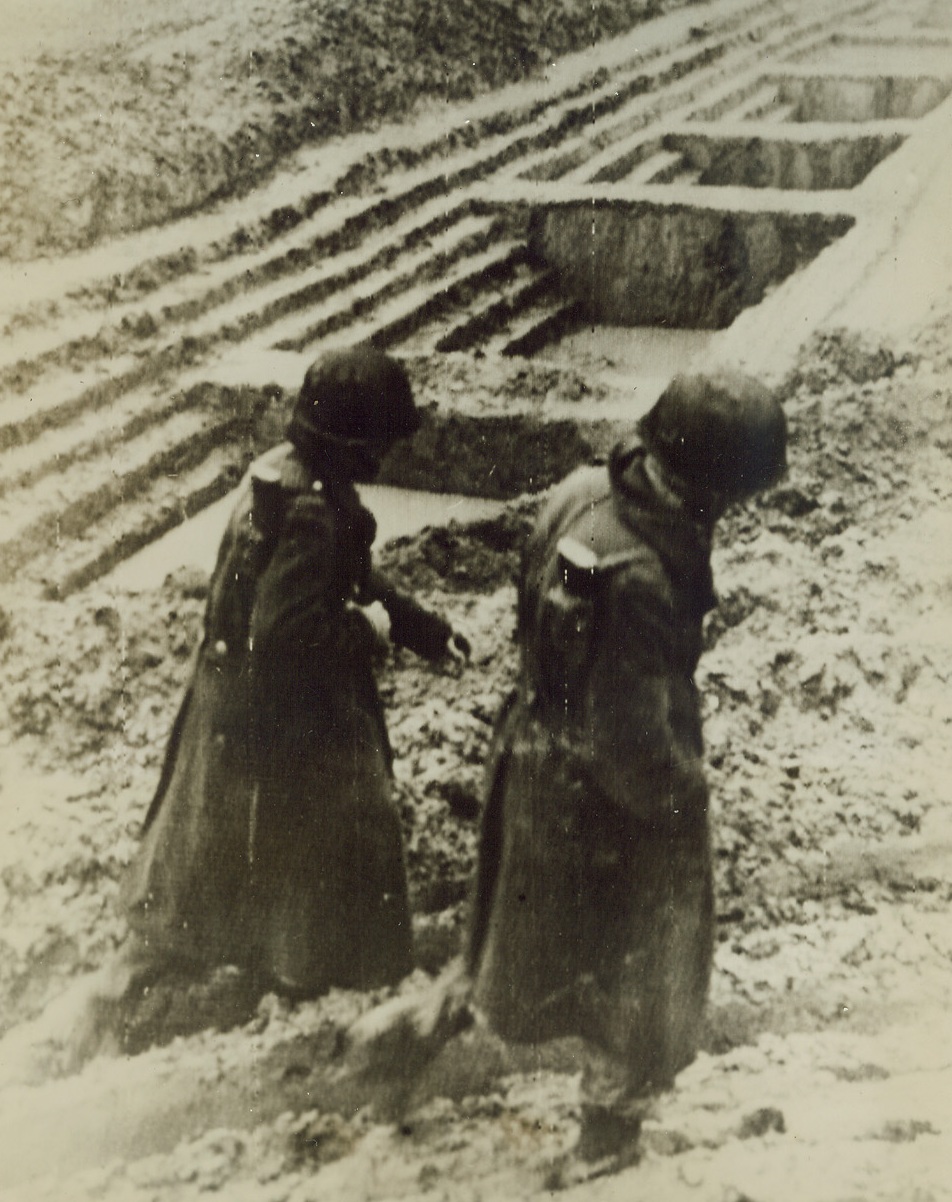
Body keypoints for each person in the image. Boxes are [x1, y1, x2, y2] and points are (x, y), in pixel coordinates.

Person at [462, 370, 788, 1165]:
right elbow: (630, 742)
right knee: (641, 969)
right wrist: (685, 796)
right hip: (607, 797)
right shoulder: (639, 576)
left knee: (563, 950)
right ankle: (608, 1138)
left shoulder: (582, 494)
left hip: (540, 756)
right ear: (711, 486)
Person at [115, 345, 469, 1005]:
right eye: (378, 442)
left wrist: (421, 628)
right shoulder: (311, 513)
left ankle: (255, 961)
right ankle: (321, 975)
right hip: (278, 713)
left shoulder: (283, 476)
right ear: (354, 443)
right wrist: (369, 632)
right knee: (339, 834)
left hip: (231, 700)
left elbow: (348, 571)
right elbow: (285, 635)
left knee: (221, 853)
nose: (384, 455)